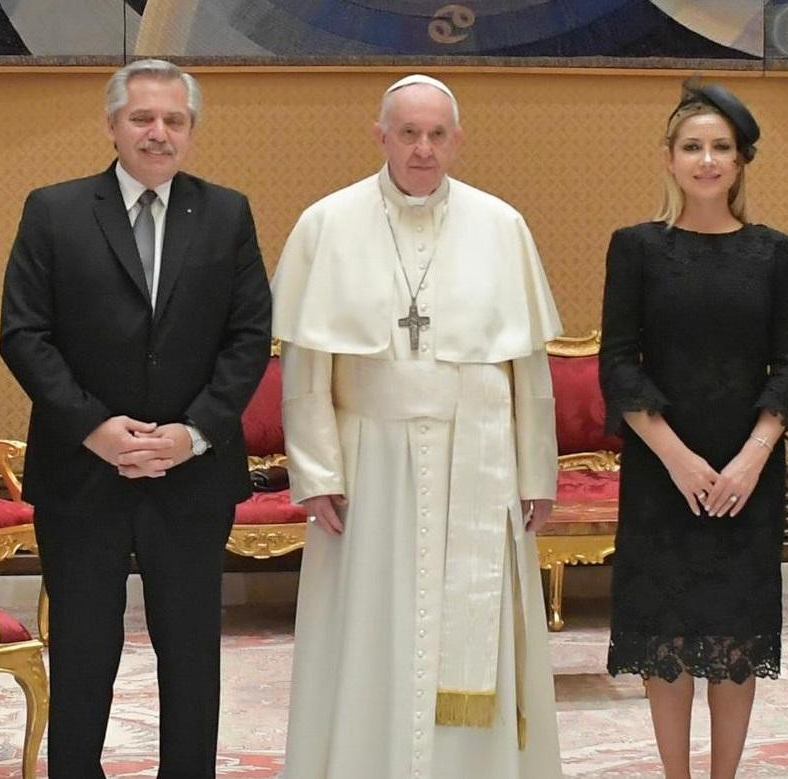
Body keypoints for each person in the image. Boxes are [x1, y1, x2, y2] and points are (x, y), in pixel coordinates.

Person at [271, 73, 563, 779]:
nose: (423, 149)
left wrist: (535, 470)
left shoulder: (502, 225)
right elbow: (307, 369)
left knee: (478, 629)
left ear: (457, 141)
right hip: (370, 462)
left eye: (437, 134)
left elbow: (528, 370)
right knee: (368, 626)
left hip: (480, 460)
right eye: (408, 133)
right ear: (381, 137)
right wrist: (315, 472)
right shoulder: (327, 223)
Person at [0, 59, 272, 778]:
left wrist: (191, 433)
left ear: (191, 130)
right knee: (85, 653)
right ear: (113, 124)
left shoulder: (226, 213)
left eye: (174, 120)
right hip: (81, 474)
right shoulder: (53, 209)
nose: (158, 133)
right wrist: (96, 428)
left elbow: (250, 339)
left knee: (190, 655)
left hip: (192, 476)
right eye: (143, 118)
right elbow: (24, 333)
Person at [600, 79, 788, 779]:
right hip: (664, 473)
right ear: (669, 158)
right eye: (693, 146)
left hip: (749, 475)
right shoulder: (636, 248)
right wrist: (677, 459)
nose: (707, 160)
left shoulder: (776, 251)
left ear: (741, 161)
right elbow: (619, 361)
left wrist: (751, 458)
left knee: (735, 633)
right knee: (666, 634)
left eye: (721, 147)